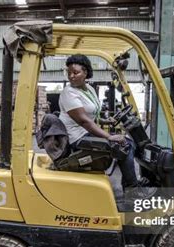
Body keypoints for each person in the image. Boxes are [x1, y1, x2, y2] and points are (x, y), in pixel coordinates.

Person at [59, 54, 138, 189]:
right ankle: (132, 189)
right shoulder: (69, 92)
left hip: (86, 133)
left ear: (86, 73)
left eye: (75, 72)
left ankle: (128, 184)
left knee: (128, 143)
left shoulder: (89, 89)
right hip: (77, 138)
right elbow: (84, 121)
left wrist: (105, 121)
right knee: (124, 145)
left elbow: (91, 114)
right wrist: (109, 136)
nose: (71, 76)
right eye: (69, 73)